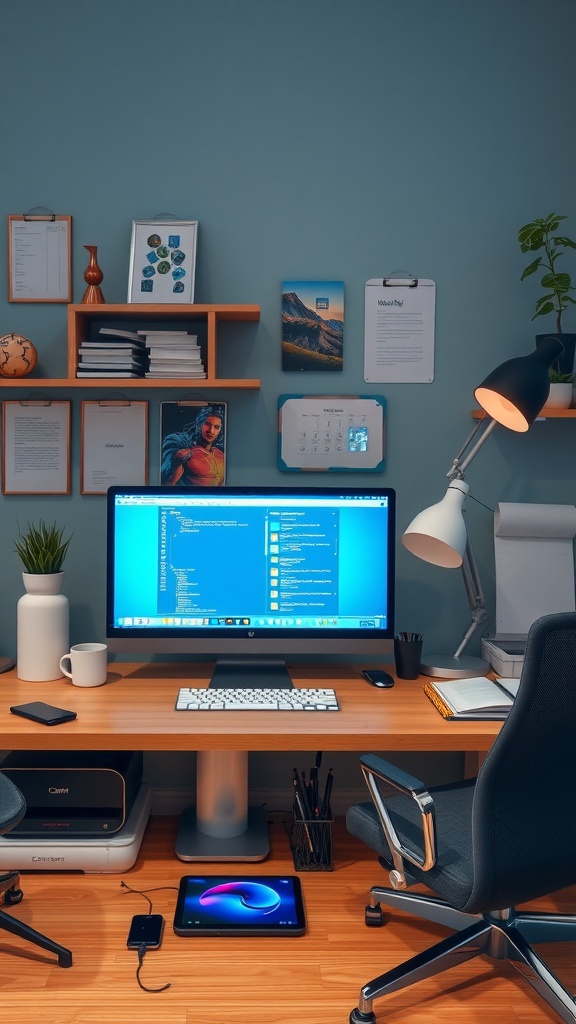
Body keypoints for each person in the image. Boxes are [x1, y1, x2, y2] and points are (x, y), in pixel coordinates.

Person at [161, 405, 225, 486]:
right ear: (199, 424)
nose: (211, 431)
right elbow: (168, 483)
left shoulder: (220, 453)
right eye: (207, 424)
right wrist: (176, 461)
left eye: (216, 427)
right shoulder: (184, 448)